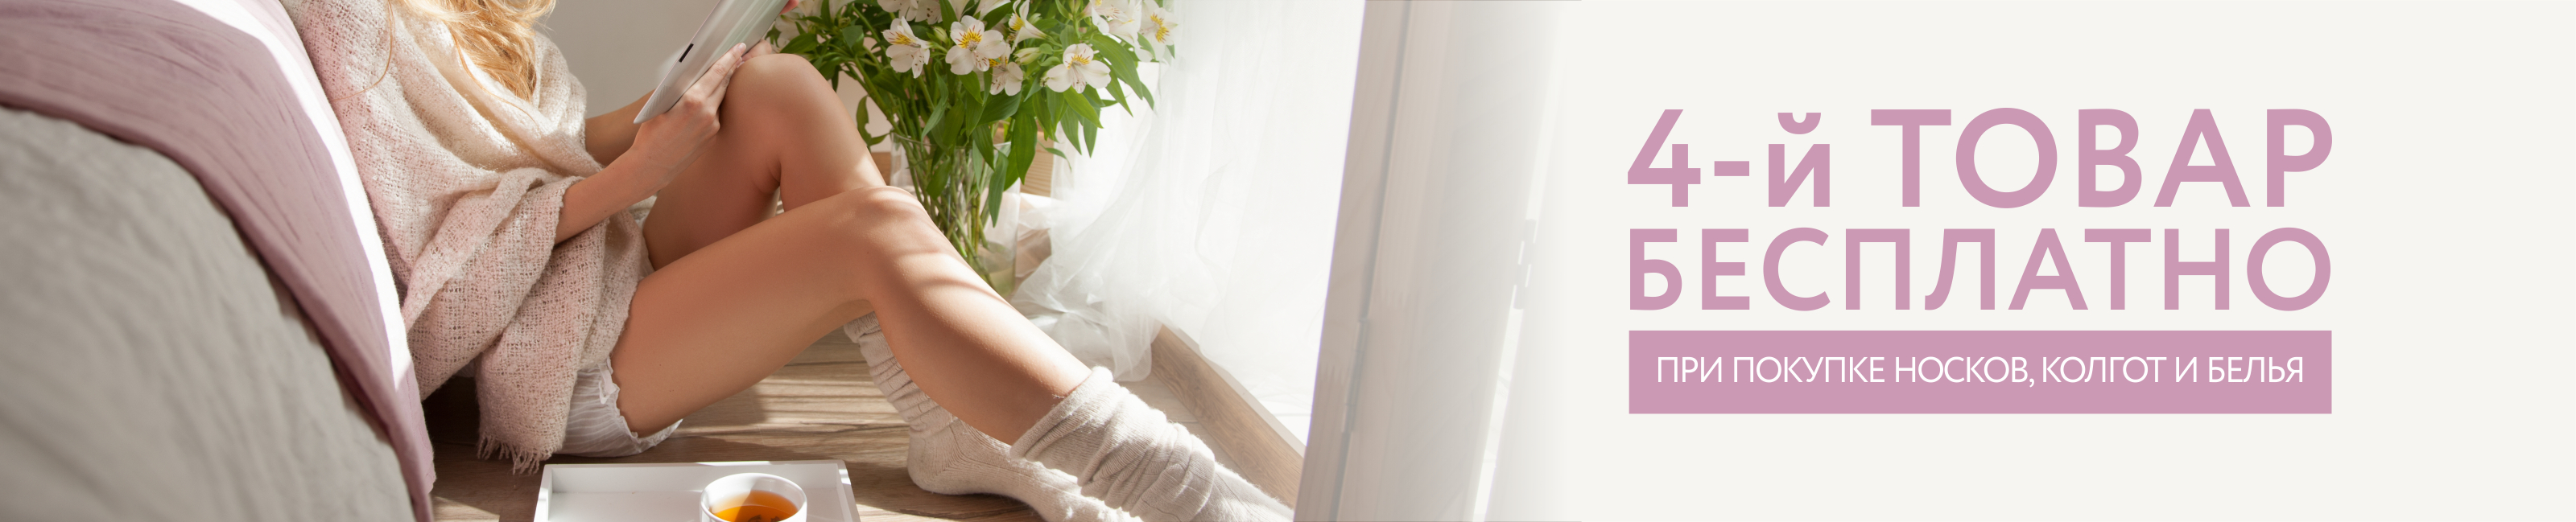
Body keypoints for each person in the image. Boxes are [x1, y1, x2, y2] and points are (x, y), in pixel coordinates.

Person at [286, 0, 1286, 520]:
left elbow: (523, 149)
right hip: (547, 354)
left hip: (590, 275)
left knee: (780, 85)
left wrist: (679, 98)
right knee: (873, 233)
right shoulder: (348, 16)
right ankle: (1180, 492)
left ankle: (946, 428)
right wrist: (636, 177)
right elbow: (436, 269)